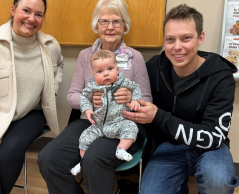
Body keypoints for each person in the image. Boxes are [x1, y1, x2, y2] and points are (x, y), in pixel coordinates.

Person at [122, 4, 239, 194]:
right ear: (164, 41)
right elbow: (128, 87)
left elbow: (214, 137)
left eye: (186, 38)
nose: (177, 47)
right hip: (167, 147)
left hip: (209, 148)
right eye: (170, 39)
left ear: (200, 38)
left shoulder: (221, 76)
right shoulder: (153, 67)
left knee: (218, 182)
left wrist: (158, 116)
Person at [38, 0, 152, 193]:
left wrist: (132, 99)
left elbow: (148, 102)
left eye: (116, 21)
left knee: (94, 158)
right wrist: (89, 100)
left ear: (124, 26)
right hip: (90, 122)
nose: (110, 27)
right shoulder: (85, 56)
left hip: (123, 124)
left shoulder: (135, 57)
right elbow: (72, 95)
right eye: (104, 21)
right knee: (48, 158)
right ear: (96, 25)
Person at [0, 0, 63, 193]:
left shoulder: (50, 45)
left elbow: (60, 65)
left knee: (9, 152)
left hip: (31, 114)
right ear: (13, 10)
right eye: (26, 11)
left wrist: (52, 89)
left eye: (39, 14)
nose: (32, 19)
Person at [70, 50, 142, 175]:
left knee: (131, 128)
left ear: (117, 69)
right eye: (100, 71)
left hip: (119, 122)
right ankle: (83, 162)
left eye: (110, 69)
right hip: (99, 125)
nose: (106, 74)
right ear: (93, 74)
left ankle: (120, 150)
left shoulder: (122, 82)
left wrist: (135, 99)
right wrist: (87, 109)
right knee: (83, 139)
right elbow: (84, 97)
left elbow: (136, 88)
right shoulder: (92, 86)